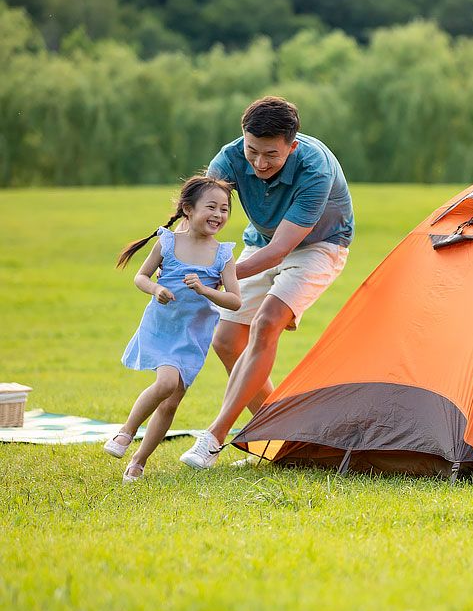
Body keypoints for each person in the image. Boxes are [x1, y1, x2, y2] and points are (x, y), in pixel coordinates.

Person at [179, 96, 354, 469]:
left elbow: (281, 250)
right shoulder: (227, 159)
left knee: (266, 323)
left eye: (270, 154)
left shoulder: (314, 169)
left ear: (292, 145)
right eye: (252, 150)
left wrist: (215, 273)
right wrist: (178, 259)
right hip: (260, 241)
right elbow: (200, 218)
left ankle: (214, 438)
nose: (259, 163)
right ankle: (277, 441)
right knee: (226, 341)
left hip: (318, 246)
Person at [105, 176, 241, 481]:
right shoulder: (168, 242)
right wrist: (155, 290)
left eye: (224, 209)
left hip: (193, 336)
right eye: (211, 207)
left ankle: (139, 461)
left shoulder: (223, 254)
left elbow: (234, 300)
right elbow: (140, 277)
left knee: (171, 403)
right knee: (166, 383)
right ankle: (126, 432)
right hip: (161, 327)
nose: (218, 215)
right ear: (188, 209)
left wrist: (207, 291)